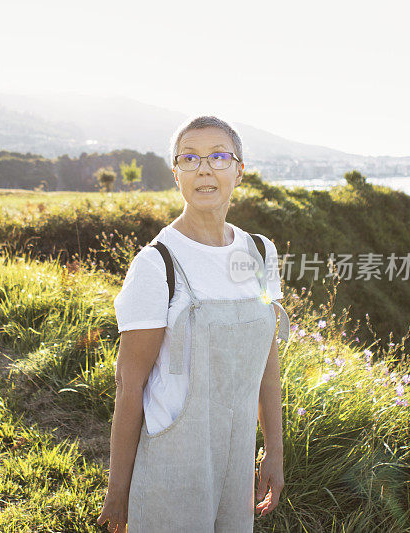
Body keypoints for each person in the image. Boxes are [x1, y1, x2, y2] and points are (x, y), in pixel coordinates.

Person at [96, 116, 290, 532]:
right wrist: (118, 491)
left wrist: (273, 448)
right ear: (176, 174)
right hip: (173, 462)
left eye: (219, 157)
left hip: (239, 460)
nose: (204, 169)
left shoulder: (258, 252)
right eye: (190, 158)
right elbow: (130, 386)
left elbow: (265, 360)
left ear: (239, 170)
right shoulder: (157, 264)